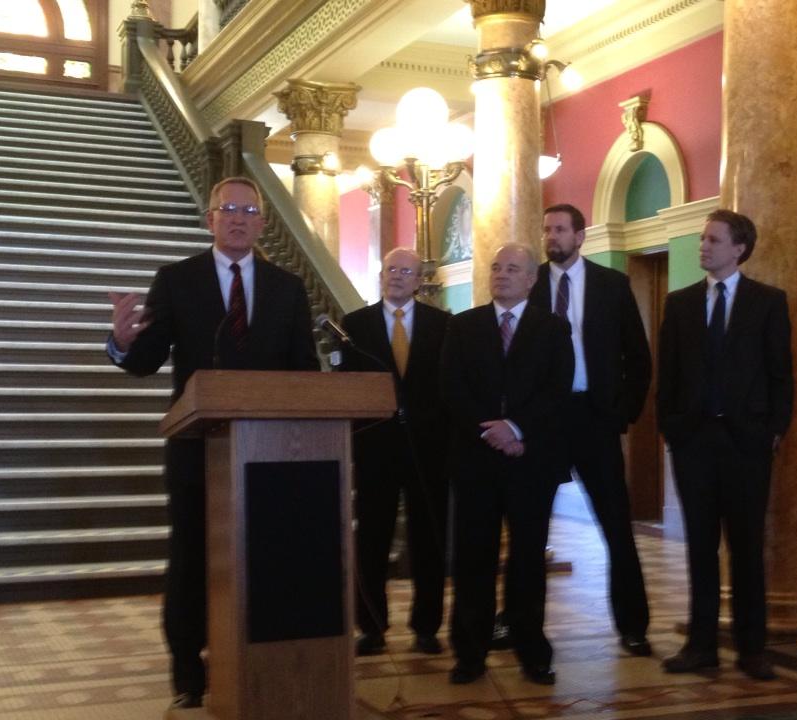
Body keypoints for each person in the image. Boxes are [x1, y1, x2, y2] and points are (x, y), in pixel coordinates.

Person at [107, 176, 318, 710]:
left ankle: (258, 657)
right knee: (191, 558)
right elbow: (146, 360)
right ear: (210, 220)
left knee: (265, 558)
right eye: (228, 209)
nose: (238, 219)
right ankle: (188, 670)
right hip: (196, 449)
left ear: (262, 223)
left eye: (248, 211)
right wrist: (121, 343)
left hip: (269, 450)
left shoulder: (288, 287)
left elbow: (304, 370)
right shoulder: (177, 279)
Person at [495, 203, 654, 656]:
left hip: (595, 418)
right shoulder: (531, 285)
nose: (552, 237)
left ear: (580, 236)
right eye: (547, 229)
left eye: (561, 229)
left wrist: (622, 414)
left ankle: (633, 625)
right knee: (528, 528)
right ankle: (517, 621)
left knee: (616, 525)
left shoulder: (612, 285)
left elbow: (637, 357)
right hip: (540, 420)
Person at [656, 208, 793, 681]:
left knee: (747, 547)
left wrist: (773, 430)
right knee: (699, 547)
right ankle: (701, 646)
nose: (704, 246)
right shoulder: (679, 304)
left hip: (746, 445)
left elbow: (780, 374)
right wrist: (671, 428)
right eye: (702, 238)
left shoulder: (767, 302)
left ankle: (752, 649)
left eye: (714, 240)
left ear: (739, 248)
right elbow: (668, 374)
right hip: (693, 442)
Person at [439, 244, 573, 685]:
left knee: (528, 559)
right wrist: (491, 432)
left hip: (530, 461)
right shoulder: (464, 325)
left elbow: (557, 389)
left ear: (531, 278)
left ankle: (531, 651)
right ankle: (470, 654)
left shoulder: (553, 328)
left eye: (512, 268)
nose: (501, 274)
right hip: (476, 460)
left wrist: (516, 429)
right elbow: (452, 388)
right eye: (496, 267)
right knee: (473, 558)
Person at [340, 248, 451, 657]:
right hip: (376, 448)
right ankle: (371, 627)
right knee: (372, 538)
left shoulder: (443, 324)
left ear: (419, 281)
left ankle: (427, 627)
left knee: (429, 540)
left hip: (429, 450)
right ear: (381, 275)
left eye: (406, 271)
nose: (397, 276)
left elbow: (450, 385)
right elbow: (346, 385)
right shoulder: (355, 325)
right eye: (391, 269)